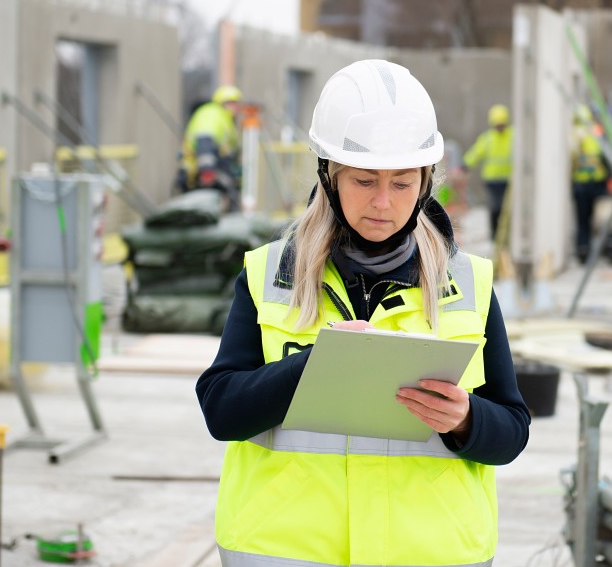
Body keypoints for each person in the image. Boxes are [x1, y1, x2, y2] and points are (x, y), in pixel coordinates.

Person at [196, 59, 531, 567]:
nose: (383, 203)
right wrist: (310, 366)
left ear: (425, 183)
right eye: (364, 181)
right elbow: (221, 411)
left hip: (429, 554)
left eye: (402, 183)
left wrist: (465, 419)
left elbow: (512, 430)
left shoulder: (467, 285)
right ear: (329, 176)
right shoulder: (270, 276)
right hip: (289, 553)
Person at [176, 85, 243, 194]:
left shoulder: (227, 121)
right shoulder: (211, 114)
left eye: (237, 104)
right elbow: (204, 142)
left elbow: (231, 150)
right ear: (221, 103)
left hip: (215, 175)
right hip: (197, 176)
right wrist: (207, 171)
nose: (236, 107)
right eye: (231, 103)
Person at [570, 104, 612, 265]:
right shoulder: (597, 131)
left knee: (583, 220)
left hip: (581, 184)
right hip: (599, 181)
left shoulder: (573, 135)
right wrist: (611, 179)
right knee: (605, 217)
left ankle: (583, 250)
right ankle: (610, 247)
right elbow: (607, 157)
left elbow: (571, 161)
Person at [462, 103, 514, 241]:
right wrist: (466, 164)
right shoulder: (488, 138)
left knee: (506, 210)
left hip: (508, 180)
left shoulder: (513, 136)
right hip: (492, 181)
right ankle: (495, 236)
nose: (500, 127)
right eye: (497, 124)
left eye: (502, 124)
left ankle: (505, 237)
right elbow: (476, 152)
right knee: (495, 208)